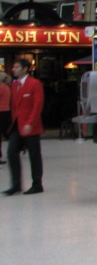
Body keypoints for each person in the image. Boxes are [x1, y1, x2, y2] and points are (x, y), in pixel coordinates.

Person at [4, 58, 45, 195]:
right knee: (11, 152)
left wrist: (30, 122)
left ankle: (37, 183)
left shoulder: (35, 84)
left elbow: (37, 105)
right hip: (17, 125)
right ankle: (16, 184)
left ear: (25, 69)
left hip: (31, 126)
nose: (13, 69)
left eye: (16, 67)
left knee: (34, 155)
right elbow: (14, 106)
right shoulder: (15, 85)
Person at [0, 71, 11, 165]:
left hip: (1, 111)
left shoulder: (1, 88)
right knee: (6, 132)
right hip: (6, 111)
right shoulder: (7, 87)